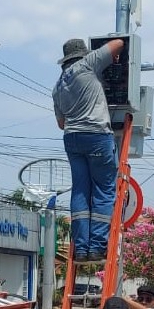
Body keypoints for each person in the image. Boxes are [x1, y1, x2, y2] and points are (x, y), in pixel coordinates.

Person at [52, 37, 125, 264]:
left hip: (72, 138)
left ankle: (81, 250)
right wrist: (111, 57)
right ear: (83, 54)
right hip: (96, 135)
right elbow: (119, 42)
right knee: (103, 190)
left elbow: (61, 123)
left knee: (81, 191)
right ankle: (97, 248)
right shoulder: (87, 64)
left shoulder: (57, 87)